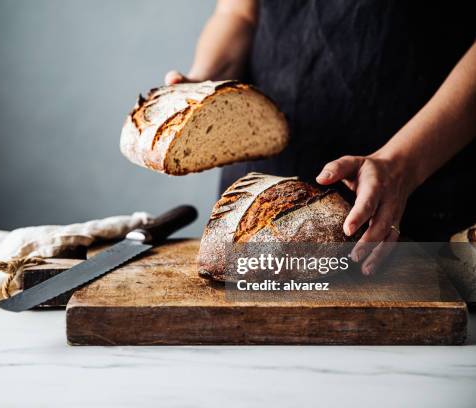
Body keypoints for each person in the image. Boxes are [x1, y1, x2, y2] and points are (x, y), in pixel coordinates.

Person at [165, 0, 475, 274]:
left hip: (424, 168)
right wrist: (204, 87)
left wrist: (403, 165)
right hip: (259, 190)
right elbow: (238, 12)